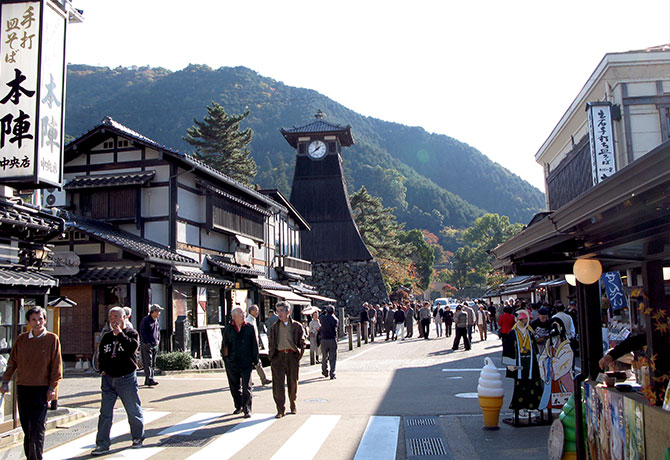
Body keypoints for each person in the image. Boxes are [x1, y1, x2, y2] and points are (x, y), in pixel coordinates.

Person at [1, 306, 62, 460]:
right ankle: (31, 456)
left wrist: (52, 387)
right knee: (27, 428)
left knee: (37, 427)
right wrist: (5, 380)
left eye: (40, 319)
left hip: (41, 389)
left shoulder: (52, 339)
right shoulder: (21, 339)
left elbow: (56, 366)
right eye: (34, 320)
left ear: (45, 320)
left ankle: (35, 458)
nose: (37, 323)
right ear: (28, 322)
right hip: (23, 388)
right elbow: (12, 362)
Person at [92, 307, 144, 455]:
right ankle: (102, 443)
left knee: (133, 409)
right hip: (108, 378)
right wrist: (102, 368)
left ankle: (137, 437)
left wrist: (120, 334)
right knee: (105, 413)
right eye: (111, 317)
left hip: (126, 378)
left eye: (117, 317)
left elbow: (132, 348)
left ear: (124, 319)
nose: (114, 320)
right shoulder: (107, 337)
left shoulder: (131, 333)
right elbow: (101, 353)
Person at [267, 301, 305, 418]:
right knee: (277, 384)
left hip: (291, 355)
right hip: (278, 356)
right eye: (278, 311)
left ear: (288, 312)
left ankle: (292, 404)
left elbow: (302, 342)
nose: (279, 314)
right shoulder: (275, 327)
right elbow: (271, 342)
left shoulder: (297, 326)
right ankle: (280, 409)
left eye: (282, 311)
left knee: (292, 382)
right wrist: (271, 356)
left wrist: (298, 354)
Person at [502, 309, 544, 412]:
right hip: (519, 361)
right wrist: (510, 364)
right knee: (520, 383)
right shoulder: (512, 333)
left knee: (533, 382)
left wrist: (538, 358)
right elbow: (508, 349)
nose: (528, 321)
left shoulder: (530, 332)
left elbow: (534, 346)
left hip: (530, 361)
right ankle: (519, 407)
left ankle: (533, 405)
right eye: (526, 319)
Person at [223, 307, 259, 418]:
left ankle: (247, 408)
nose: (243, 316)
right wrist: (226, 359)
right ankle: (238, 406)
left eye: (244, 314)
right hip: (232, 362)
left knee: (247, 386)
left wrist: (255, 360)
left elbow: (254, 345)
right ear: (234, 316)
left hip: (246, 361)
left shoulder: (249, 328)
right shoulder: (229, 329)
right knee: (234, 386)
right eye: (241, 314)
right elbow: (224, 345)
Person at [246, 305, 271, 385]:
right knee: (252, 363)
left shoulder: (253, 320)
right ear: (251, 311)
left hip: (254, 345)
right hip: (250, 346)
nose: (257, 312)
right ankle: (249, 380)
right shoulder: (248, 321)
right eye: (256, 310)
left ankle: (262, 379)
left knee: (256, 363)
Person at [139, 304, 162, 387]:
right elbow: (142, 332)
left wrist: (158, 340)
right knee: (148, 362)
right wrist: (146, 342)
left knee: (153, 362)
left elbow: (158, 331)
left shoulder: (156, 320)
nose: (159, 313)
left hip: (155, 343)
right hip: (147, 344)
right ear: (154, 312)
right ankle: (149, 379)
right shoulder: (146, 320)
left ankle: (149, 378)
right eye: (158, 311)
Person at [320, 306, 339, 379]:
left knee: (324, 356)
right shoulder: (335, 319)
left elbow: (320, 315)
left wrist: (324, 312)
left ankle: (324, 371)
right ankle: (332, 373)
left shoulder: (323, 318)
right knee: (332, 357)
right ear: (333, 312)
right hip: (332, 339)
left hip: (324, 339)